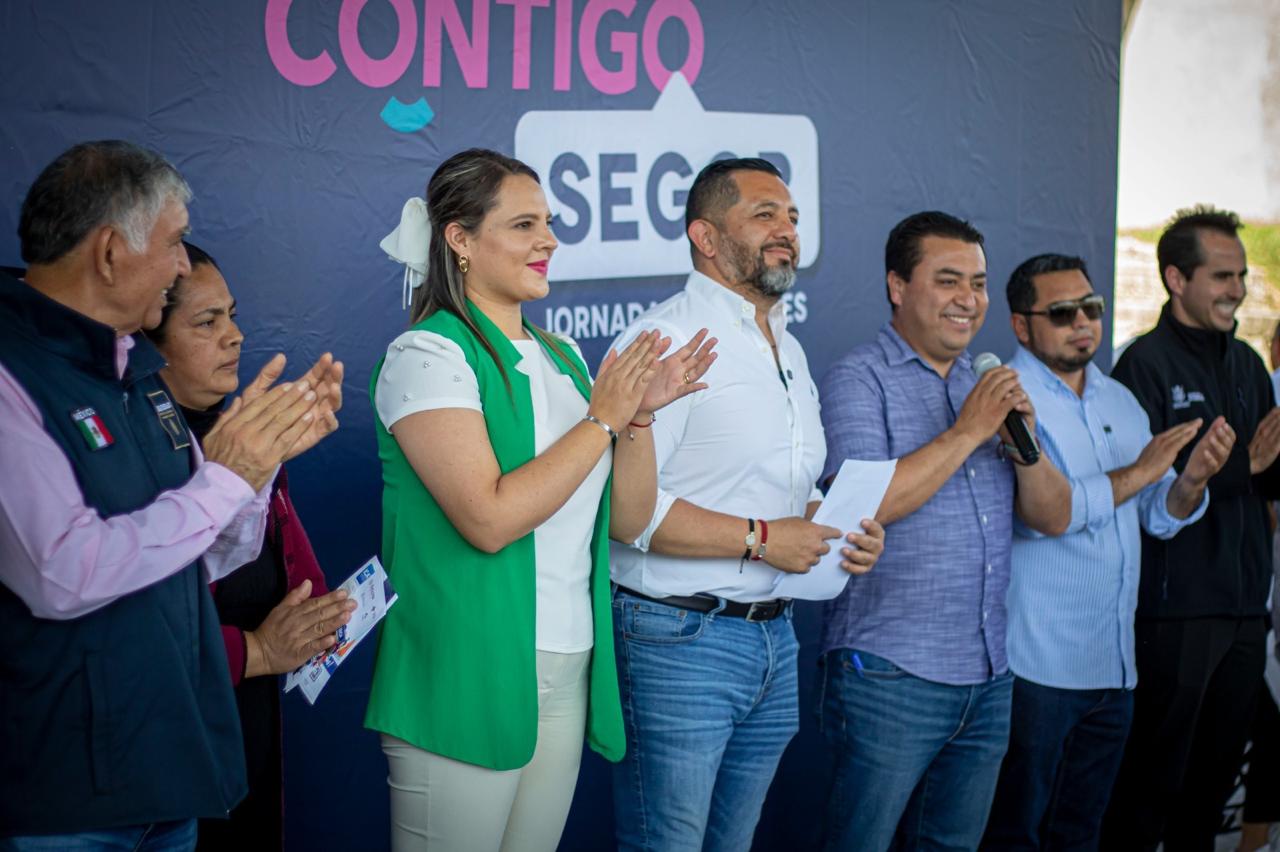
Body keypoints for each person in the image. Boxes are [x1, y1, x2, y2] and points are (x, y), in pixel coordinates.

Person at [364, 148, 716, 852]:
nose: (548, 240)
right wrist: (604, 420)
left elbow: (628, 520)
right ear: (460, 240)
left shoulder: (567, 359)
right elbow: (489, 518)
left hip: (568, 661)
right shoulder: (427, 355)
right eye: (524, 225)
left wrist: (638, 417)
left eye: (549, 223)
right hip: (463, 670)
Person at [0, 141, 343, 850]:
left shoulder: (133, 371)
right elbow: (61, 574)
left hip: (170, 775)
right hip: (65, 798)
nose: (183, 264)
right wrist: (225, 477)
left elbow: (193, 558)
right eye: (175, 242)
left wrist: (258, 468)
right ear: (109, 253)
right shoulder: (13, 374)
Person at [608, 157, 886, 852]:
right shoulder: (661, 342)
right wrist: (763, 538)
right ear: (705, 237)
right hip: (677, 637)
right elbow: (624, 512)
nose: (786, 230)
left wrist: (836, 528)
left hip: (774, 637)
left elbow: (787, 487)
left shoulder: (787, 347)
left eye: (791, 216)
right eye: (764, 215)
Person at [816, 211, 1071, 852]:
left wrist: (1025, 444)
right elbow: (865, 506)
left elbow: (1052, 516)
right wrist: (969, 430)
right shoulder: (858, 377)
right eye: (949, 280)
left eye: (978, 283)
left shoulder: (986, 382)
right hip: (889, 674)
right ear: (898, 286)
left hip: (987, 674)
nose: (969, 299)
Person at [981, 253, 1234, 851]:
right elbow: (1045, 517)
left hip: (1114, 663)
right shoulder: (1005, 399)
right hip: (1037, 666)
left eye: (1091, 308)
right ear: (1021, 326)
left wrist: (1191, 480)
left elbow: (1157, 516)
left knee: (1080, 834)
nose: (1082, 322)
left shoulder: (1120, 399)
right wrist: (1142, 471)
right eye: (1062, 312)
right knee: (1016, 836)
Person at [145, 242, 357, 851]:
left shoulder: (241, 427)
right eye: (207, 323)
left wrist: (321, 618)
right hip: (167, 746)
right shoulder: (134, 446)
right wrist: (255, 651)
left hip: (247, 725)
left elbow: (290, 568)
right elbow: (143, 622)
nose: (235, 336)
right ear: (148, 339)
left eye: (233, 316)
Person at [1101, 206, 1280, 851]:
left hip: (1245, 612)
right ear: (1176, 279)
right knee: (1150, 787)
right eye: (1222, 276)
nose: (1238, 290)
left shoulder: (1249, 365)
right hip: (1175, 615)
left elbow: (1266, 476)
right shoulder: (1142, 366)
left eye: (1242, 276)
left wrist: (1260, 467)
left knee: (1209, 792)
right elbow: (1148, 488)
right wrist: (1243, 466)